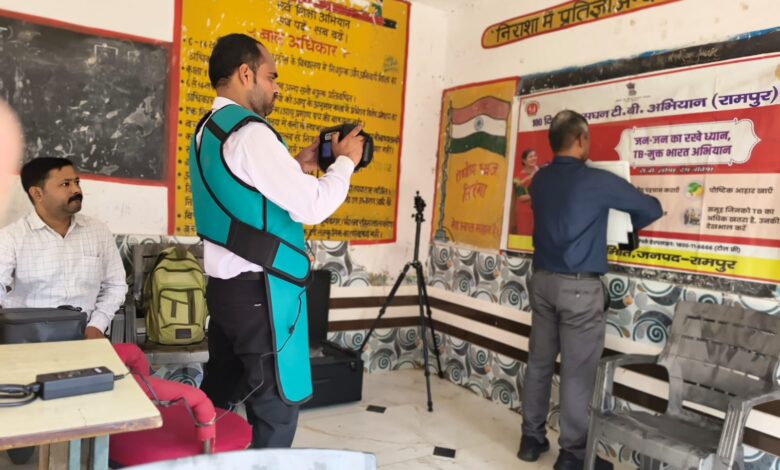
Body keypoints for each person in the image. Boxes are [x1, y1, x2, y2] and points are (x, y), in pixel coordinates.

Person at [190, 33, 365, 449]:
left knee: (221, 396)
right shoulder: (252, 134)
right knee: (274, 411)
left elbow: (244, 193)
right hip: (260, 297)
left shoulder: (208, 130)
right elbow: (313, 205)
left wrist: (295, 164)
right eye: (271, 76)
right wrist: (345, 163)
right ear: (245, 74)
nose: (277, 87)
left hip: (227, 294)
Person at [518, 110, 662, 470]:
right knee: (577, 373)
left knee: (539, 363)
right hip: (579, 289)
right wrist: (628, 229)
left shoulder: (540, 180)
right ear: (581, 140)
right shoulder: (596, 180)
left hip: (542, 282)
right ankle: (573, 455)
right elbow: (652, 208)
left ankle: (530, 439)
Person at [0, 157, 128, 465]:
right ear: (37, 193)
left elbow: (115, 285)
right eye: (65, 184)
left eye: (77, 182)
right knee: (24, 444)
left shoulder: (97, 231)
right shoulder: (11, 237)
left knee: (86, 421)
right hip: (28, 346)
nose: (76, 190)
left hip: (84, 340)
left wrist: (97, 326)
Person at [510, 148, 539, 235]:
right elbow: (521, 197)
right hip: (524, 213)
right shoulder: (518, 177)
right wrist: (538, 194)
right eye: (530, 157)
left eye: (535, 156)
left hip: (538, 212)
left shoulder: (540, 172)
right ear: (524, 160)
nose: (533, 158)